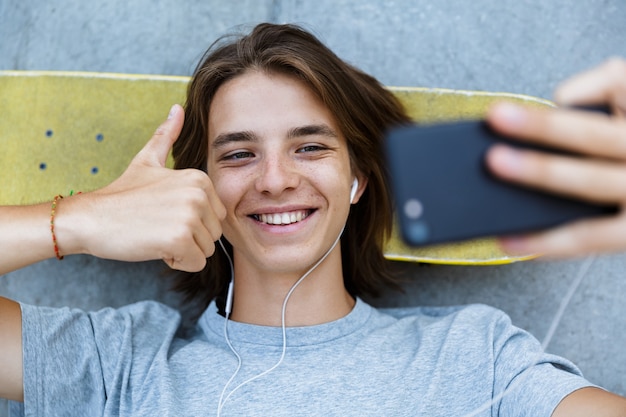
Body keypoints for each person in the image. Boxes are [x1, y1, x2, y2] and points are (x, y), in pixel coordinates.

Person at [0, 23, 625, 416]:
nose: (274, 179)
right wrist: (78, 222)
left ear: (357, 178)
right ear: (199, 187)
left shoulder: (471, 356)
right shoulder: (119, 362)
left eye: (310, 146)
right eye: (239, 154)